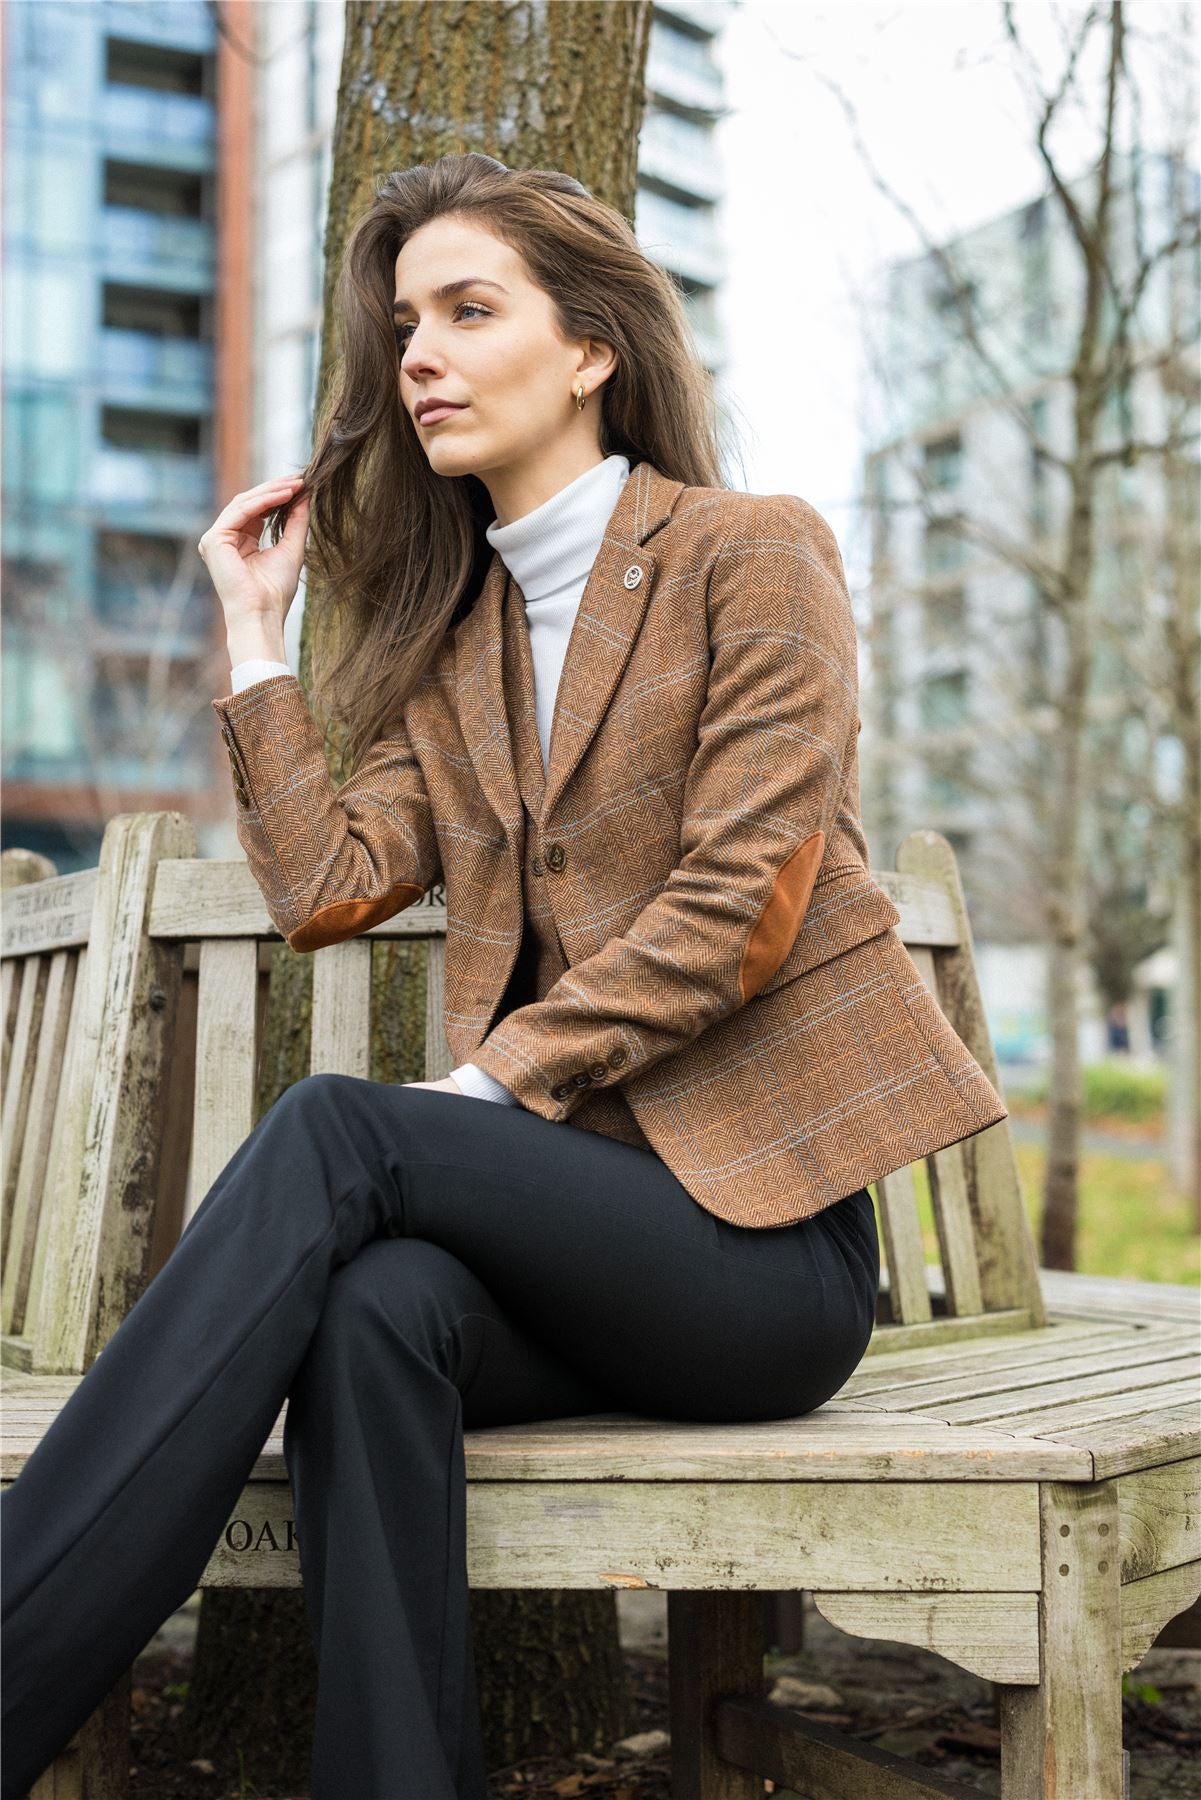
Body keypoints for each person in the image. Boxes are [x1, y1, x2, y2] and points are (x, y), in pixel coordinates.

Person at [1, 152, 1007, 1800]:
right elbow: (329, 887)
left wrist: (478, 1094)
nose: (419, 354)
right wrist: (260, 639)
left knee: (346, 1131)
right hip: (565, 1268)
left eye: (471, 311)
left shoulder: (748, 555)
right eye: (406, 322)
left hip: (757, 1261)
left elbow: (739, 908)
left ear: (591, 349)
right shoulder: (463, 644)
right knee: (378, 1314)